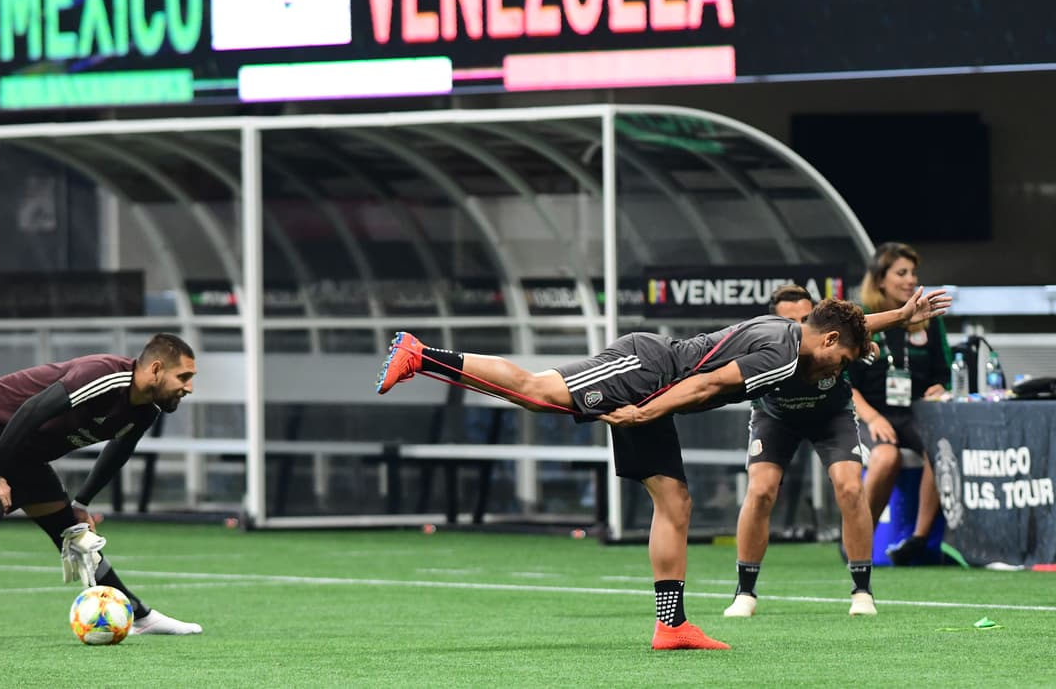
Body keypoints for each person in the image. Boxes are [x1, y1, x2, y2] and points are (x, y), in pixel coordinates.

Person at [376, 289, 950, 650]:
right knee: (535, 392)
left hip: (657, 391)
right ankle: (421, 354)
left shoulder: (809, 337)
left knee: (675, 503)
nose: (842, 367)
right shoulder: (784, 353)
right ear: (826, 340)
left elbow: (850, 327)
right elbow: (704, 384)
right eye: (844, 357)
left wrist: (900, 316)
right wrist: (642, 411)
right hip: (647, 370)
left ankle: (671, 626)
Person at [0, 333, 205, 648]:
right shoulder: (104, 377)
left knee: (73, 533)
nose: (189, 387)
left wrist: (82, 502)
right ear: (156, 369)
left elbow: (118, 451)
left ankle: (139, 616)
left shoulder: (144, 410)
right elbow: (31, 411)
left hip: (24, 450)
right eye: (183, 377)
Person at [723, 285, 879, 620]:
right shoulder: (767, 345)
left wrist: (880, 338)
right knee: (761, 490)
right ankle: (745, 592)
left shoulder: (832, 343)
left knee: (850, 487)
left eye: (806, 318)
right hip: (775, 416)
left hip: (831, 415)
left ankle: (862, 591)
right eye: (790, 321)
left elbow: (864, 327)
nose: (800, 326)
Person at [847, 242, 953, 565]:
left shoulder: (929, 320)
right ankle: (857, 537)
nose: (911, 280)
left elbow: (945, 373)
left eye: (913, 273)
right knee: (886, 457)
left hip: (914, 413)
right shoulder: (860, 319)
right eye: (901, 273)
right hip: (869, 412)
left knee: (940, 448)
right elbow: (843, 380)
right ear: (880, 279)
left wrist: (940, 387)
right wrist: (872, 417)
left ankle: (919, 540)